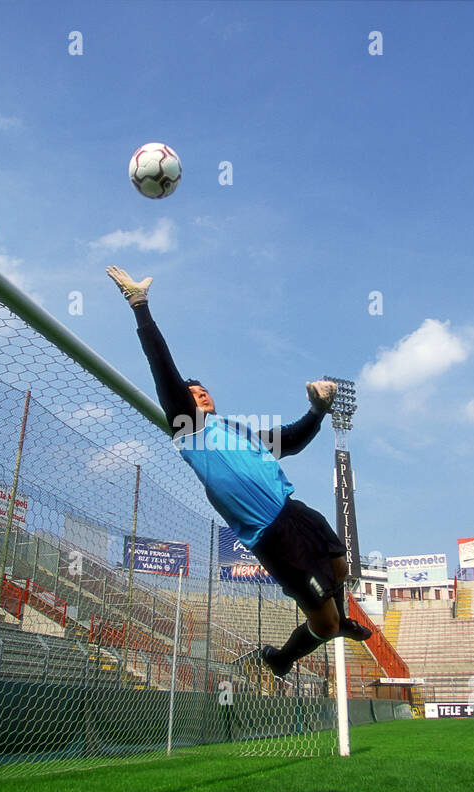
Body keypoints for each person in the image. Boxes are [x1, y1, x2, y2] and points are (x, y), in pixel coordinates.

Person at [106, 265, 372, 678]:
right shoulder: (187, 427)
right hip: (271, 535)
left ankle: (341, 623)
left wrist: (318, 409)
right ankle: (281, 659)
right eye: (193, 393)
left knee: (340, 566)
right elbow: (163, 366)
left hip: (295, 511)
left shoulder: (235, 431)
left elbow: (292, 439)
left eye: (204, 390)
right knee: (325, 624)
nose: (201, 394)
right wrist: (140, 305)